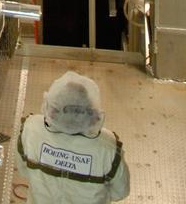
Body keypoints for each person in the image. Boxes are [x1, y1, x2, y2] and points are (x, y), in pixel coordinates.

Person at [15, 71, 130, 203]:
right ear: (93, 115)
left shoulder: (31, 129)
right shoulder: (108, 147)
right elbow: (120, 192)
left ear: (52, 110)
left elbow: (23, 170)